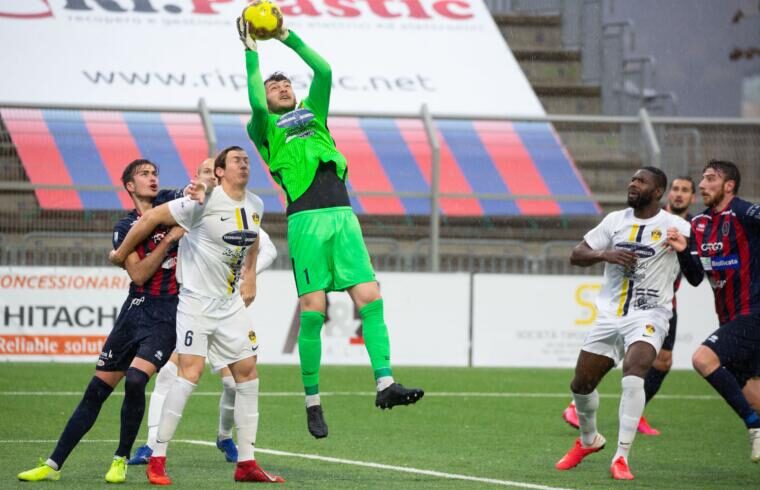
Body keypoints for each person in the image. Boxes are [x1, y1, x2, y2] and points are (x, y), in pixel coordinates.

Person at [237, 11, 423, 440]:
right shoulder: (264, 127)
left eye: (286, 83)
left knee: (372, 298)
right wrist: (252, 52)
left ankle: (385, 383)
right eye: (274, 85)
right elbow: (253, 98)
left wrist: (285, 35)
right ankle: (313, 402)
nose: (281, 86)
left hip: (343, 217)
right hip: (306, 222)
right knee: (313, 311)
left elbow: (324, 70)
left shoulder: (314, 116)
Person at [17, 159, 201, 483]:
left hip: (167, 313)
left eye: (154, 173)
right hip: (134, 311)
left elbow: (191, 193)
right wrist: (170, 239)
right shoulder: (123, 226)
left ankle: (120, 458)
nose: (152, 178)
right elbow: (140, 273)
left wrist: (196, 186)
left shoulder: (171, 205)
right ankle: (52, 464)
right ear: (130, 185)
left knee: (135, 380)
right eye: (144, 174)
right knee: (96, 391)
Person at [109, 146, 284, 484]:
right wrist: (121, 253)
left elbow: (254, 243)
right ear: (219, 172)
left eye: (247, 160)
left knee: (247, 374)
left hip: (230, 303)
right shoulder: (200, 203)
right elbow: (149, 219)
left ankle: (246, 462)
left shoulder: (256, 204)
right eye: (236, 160)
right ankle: (157, 456)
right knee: (190, 372)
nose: (244, 164)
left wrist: (250, 274)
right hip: (195, 302)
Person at [554, 167, 690, 480]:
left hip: (650, 312)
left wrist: (686, 252)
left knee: (635, 370)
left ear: (658, 192)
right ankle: (589, 440)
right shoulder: (615, 220)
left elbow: (698, 261)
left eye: (641, 181)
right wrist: (606, 254)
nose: (633, 184)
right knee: (581, 384)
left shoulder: (676, 226)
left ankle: (621, 457)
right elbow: (577, 254)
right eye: (632, 179)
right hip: (610, 315)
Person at [667, 160, 760, 462]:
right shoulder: (699, 225)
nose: (703, 185)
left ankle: (754, 428)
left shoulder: (745, 213)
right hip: (729, 317)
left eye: (709, 179)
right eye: (703, 178)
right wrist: (683, 251)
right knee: (753, 394)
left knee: (702, 358)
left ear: (729, 185)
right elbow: (695, 277)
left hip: (754, 312)